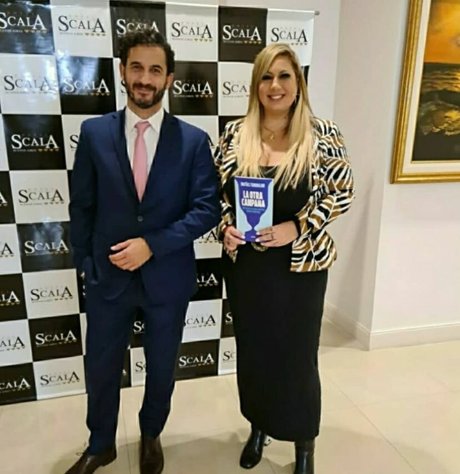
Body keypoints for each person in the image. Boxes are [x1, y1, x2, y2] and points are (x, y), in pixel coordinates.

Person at [67, 30, 220, 474]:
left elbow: (206, 209)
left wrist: (152, 245)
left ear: (169, 78)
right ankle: (101, 443)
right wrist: (86, 264)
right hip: (108, 277)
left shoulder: (193, 141)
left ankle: (151, 435)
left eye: (155, 70)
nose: (145, 79)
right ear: (122, 71)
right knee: (101, 366)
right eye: (136, 67)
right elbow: (82, 205)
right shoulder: (94, 133)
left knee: (161, 366)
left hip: (167, 278)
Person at [214, 43, 354, 474]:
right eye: (266, 76)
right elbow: (213, 195)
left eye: (284, 76)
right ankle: (259, 426)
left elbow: (342, 192)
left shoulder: (323, 133)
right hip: (248, 268)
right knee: (255, 352)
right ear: (256, 85)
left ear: (298, 83)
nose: (275, 85)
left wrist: (297, 226)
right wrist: (225, 227)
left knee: (296, 359)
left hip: (300, 270)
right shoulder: (235, 134)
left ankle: (304, 443)